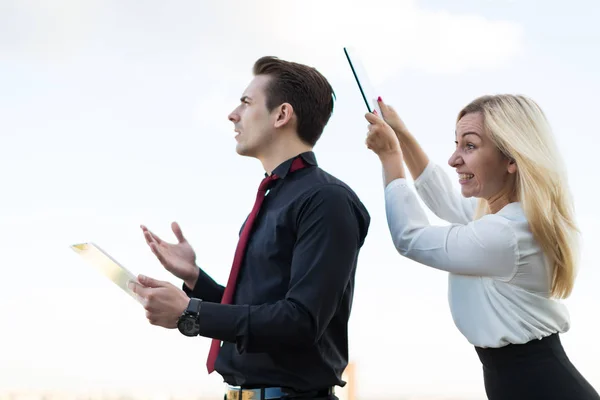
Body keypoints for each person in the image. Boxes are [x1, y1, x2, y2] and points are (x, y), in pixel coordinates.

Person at [129, 56, 371, 400]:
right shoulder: (275, 196)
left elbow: (301, 321)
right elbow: (257, 310)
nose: (233, 114)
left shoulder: (326, 200)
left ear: (282, 115)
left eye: (246, 102)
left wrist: (190, 313)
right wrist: (196, 280)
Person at [364, 94, 600, 400]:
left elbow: (409, 238)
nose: (453, 159)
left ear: (512, 159)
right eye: (457, 144)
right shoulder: (509, 220)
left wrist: (390, 156)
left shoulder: (506, 233)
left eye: (470, 146)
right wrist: (403, 135)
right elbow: (445, 199)